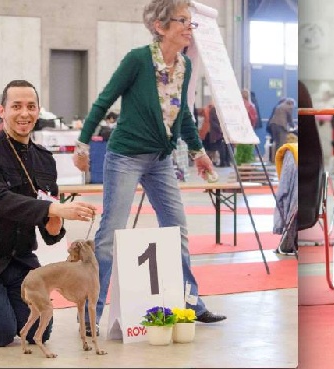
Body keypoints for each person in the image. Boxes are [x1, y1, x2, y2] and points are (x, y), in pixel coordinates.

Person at [72, 0, 226, 335]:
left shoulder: (183, 65)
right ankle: (91, 314)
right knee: (110, 234)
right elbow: (104, 100)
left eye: (190, 21)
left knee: (178, 229)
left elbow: (183, 114)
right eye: (183, 21)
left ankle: (190, 302)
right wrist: (82, 143)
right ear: (160, 26)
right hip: (125, 156)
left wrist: (198, 151)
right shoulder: (138, 60)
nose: (189, 27)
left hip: (160, 160)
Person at [0, 79, 98, 347]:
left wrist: (56, 222)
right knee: (1, 334)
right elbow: (0, 200)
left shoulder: (44, 159)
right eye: (16, 106)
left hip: (18, 259)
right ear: (2, 110)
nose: (24, 113)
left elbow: (50, 233)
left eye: (31, 106)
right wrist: (55, 207)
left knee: (37, 331)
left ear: (38, 110)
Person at [268, 97, 295, 161]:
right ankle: (280, 159)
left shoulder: (279, 106)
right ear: (291, 103)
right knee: (281, 143)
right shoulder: (289, 107)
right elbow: (290, 119)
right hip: (281, 126)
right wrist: (293, 126)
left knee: (276, 142)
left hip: (273, 125)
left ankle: (274, 159)